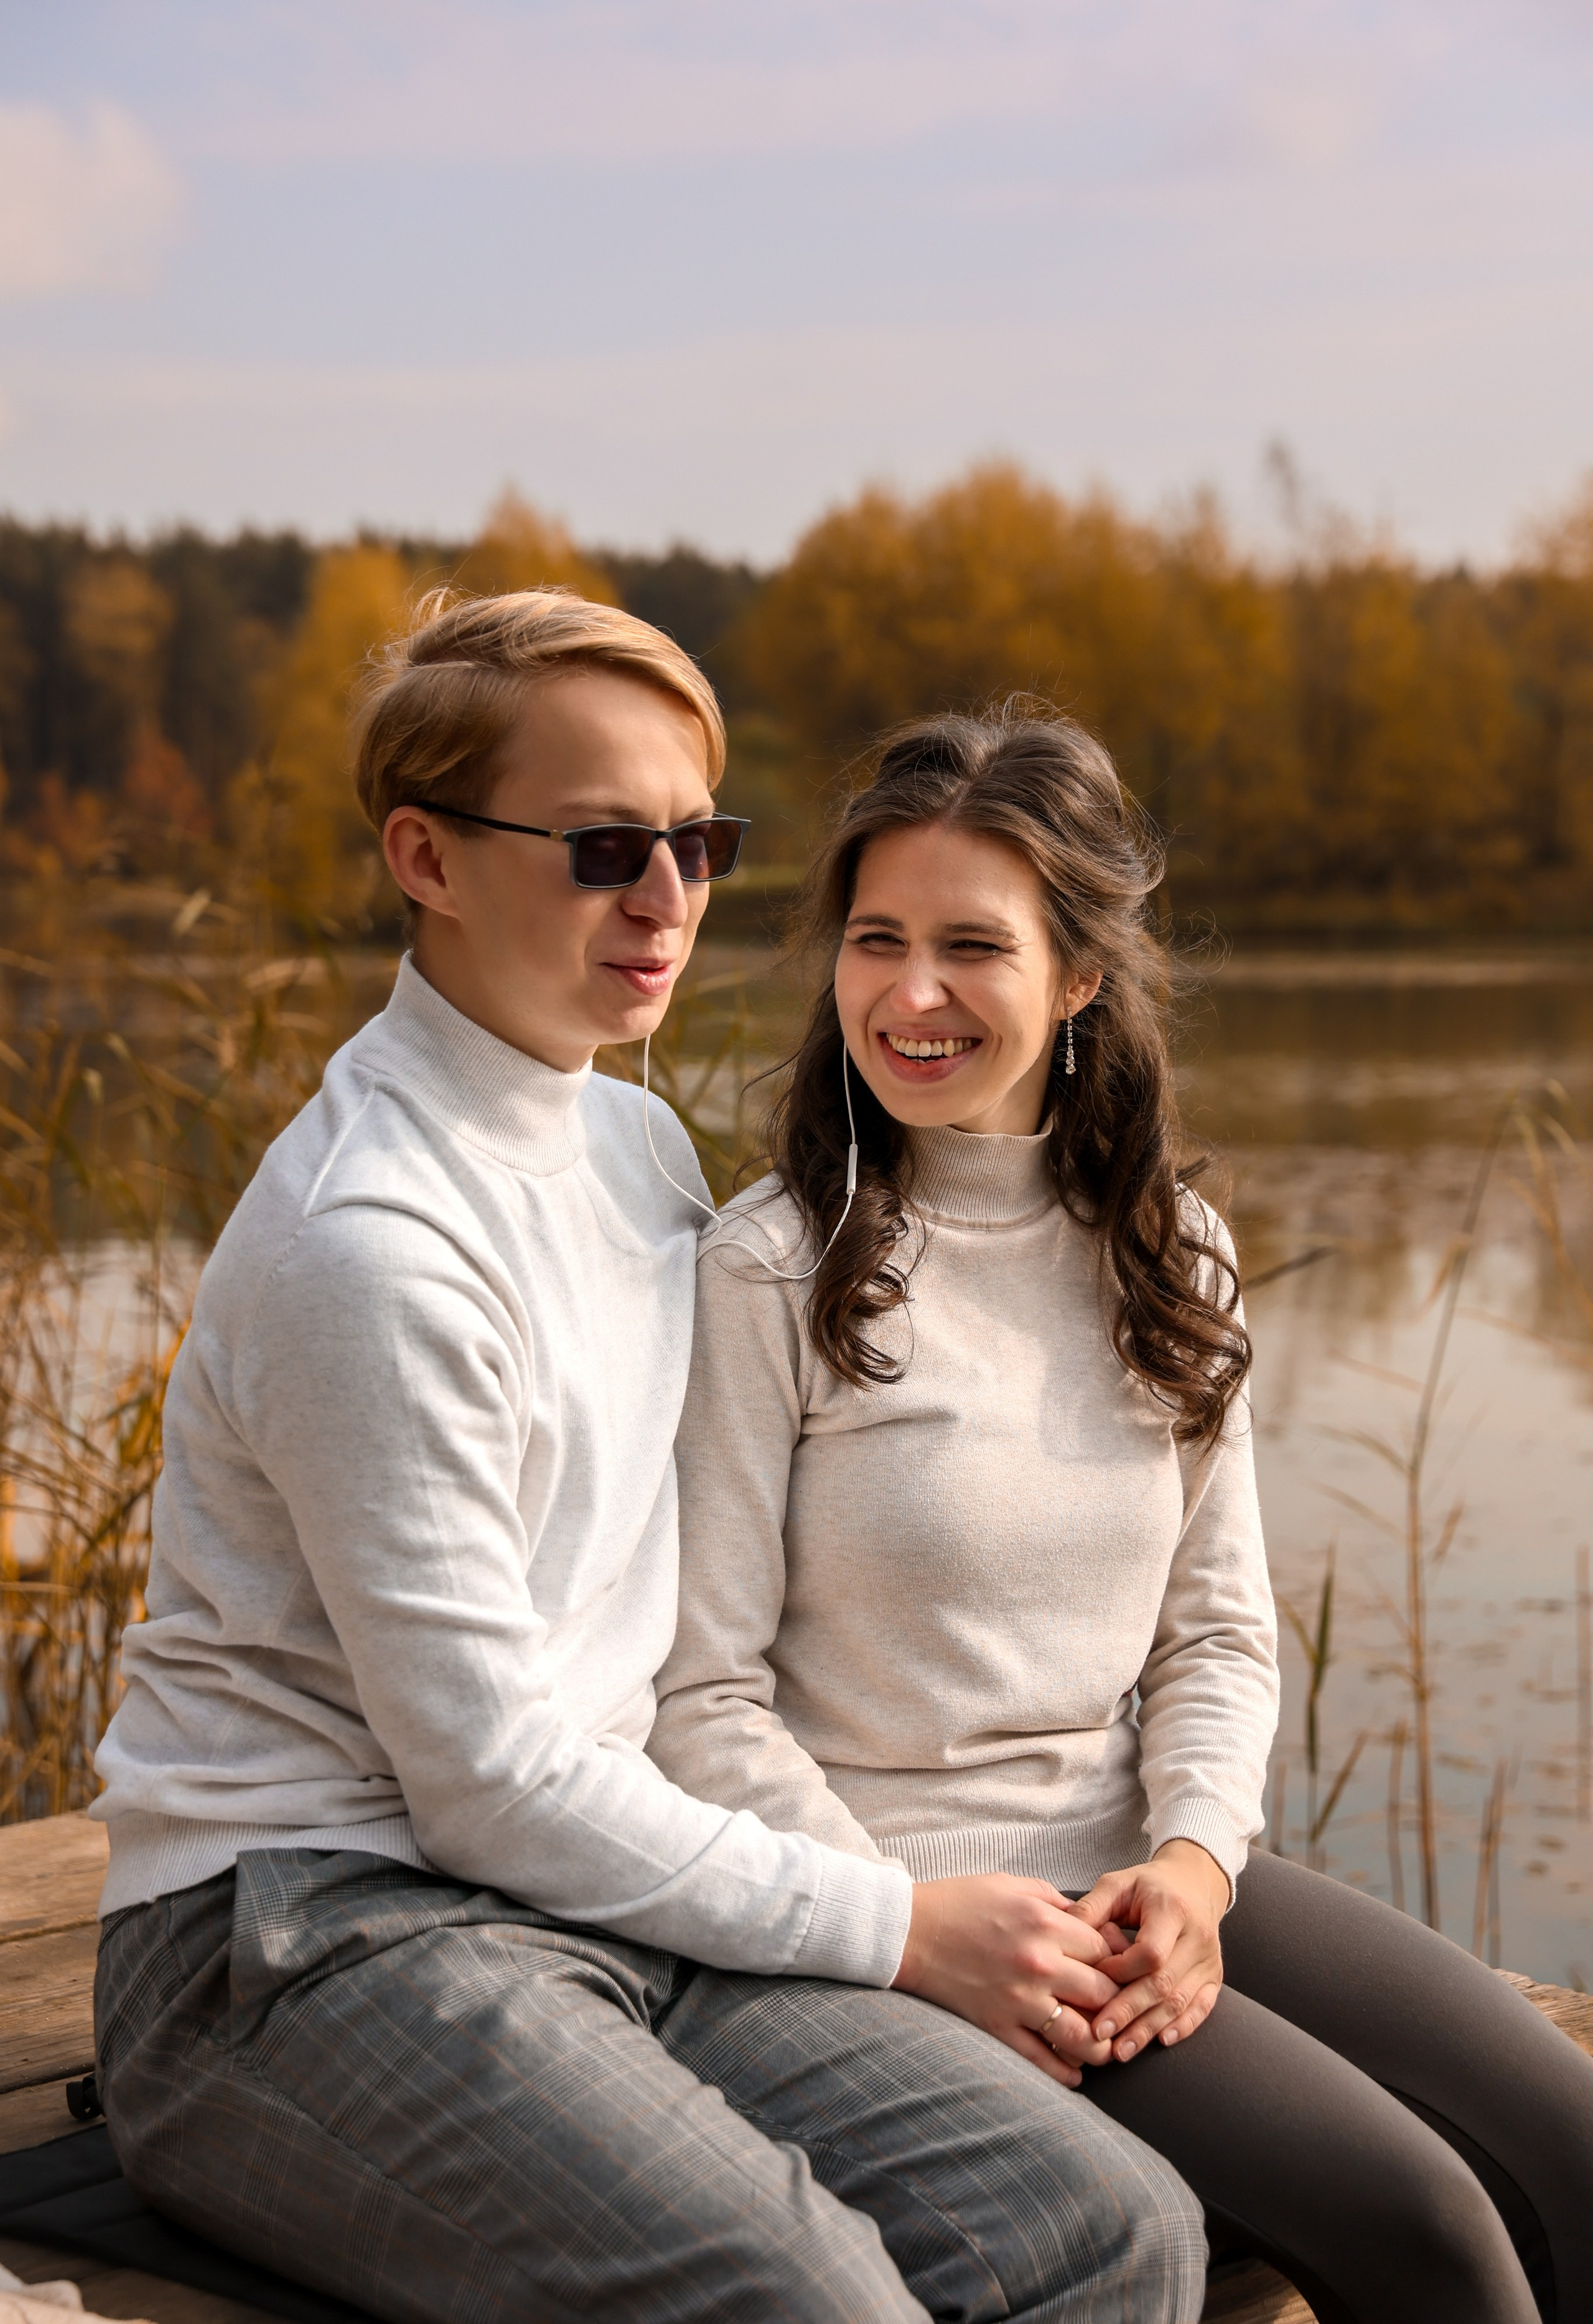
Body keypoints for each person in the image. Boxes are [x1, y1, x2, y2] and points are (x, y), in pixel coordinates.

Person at [90, 599, 1208, 2324]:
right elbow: (482, 1782)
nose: (670, 900)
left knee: (1110, 2229)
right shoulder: (374, 1245)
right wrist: (897, 1920)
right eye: (606, 848)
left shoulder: (630, 1146)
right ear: (427, 858)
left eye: (699, 843)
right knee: (810, 2300)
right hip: (307, 1936)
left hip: (606, 1886)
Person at [648, 700, 1593, 2324]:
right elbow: (700, 1697)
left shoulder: (1170, 1251)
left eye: (973, 946)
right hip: (930, 1910)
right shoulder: (770, 1273)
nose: (912, 994)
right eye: (877, 941)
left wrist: (1199, 1863)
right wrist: (909, 1922)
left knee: (1571, 2149)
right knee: (1430, 2232)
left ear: (1081, 975)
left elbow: (1214, 1632)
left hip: (1142, 1870)